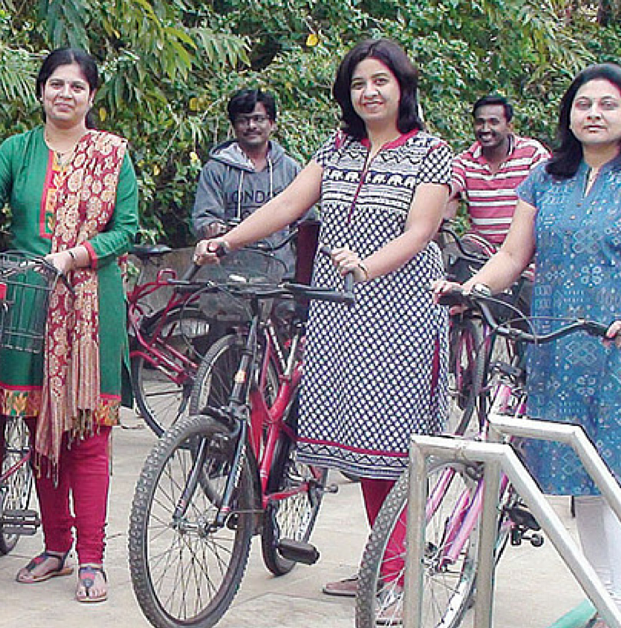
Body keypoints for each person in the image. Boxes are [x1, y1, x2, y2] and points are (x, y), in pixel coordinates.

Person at [192, 38, 451, 604]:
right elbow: (286, 203)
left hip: (401, 313)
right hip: (337, 313)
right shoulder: (335, 150)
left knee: (393, 449)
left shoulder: (430, 151)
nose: (369, 92)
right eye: (358, 83)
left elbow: (420, 230)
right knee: (363, 446)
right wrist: (225, 241)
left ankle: (398, 571)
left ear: (402, 86)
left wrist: (368, 266)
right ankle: (385, 564)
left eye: (380, 80)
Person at [436, 63, 621, 628]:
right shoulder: (545, 179)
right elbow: (511, 256)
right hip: (554, 347)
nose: (594, 114)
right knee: (585, 483)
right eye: (584, 105)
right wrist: (469, 288)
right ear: (569, 115)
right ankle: (606, 604)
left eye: (607, 105)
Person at [0, 47, 140, 604]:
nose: (65, 94)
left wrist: (76, 255)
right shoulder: (17, 151)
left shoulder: (112, 156)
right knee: (38, 424)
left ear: (91, 96)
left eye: (77, 86)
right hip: (29, 301)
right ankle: (55, 546)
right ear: (42, 91)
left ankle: (91, 558)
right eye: (56, 84)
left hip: (92, 304)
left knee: (87, 431)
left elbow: (126, 229)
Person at [191, 88, 304, 273]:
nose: (251, 126)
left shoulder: (290, 169)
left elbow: (306, 225)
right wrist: (218, 230)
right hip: (228, 278)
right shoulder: (216, 169)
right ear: (234, 126)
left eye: (258, 119)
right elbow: (203, 218)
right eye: (243, 120)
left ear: (272, 123)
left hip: (282, 276)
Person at [445, 94, 550, 247]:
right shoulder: (465, 161)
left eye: (494, 122)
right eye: (480, 122)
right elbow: (448, 188)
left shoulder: (532, 154)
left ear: (509, 126)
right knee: (453, 256)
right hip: (481, 247)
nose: (486, 129)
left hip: (526, 248)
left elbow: (548, 196)